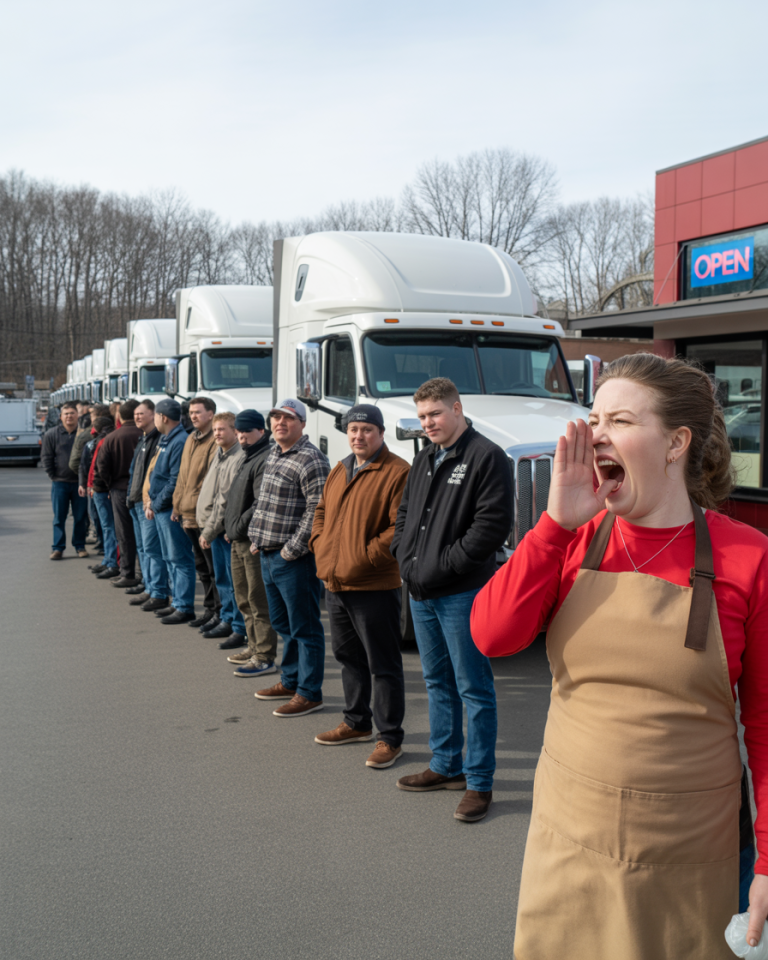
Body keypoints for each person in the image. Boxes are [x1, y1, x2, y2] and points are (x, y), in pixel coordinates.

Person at [471, 353, 768, 959]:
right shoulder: (571, 538)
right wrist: (554, 524)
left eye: (620, 421)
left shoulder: (749, 558)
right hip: (568, 831)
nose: (596, 435)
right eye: (594, 419)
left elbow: (765, 726)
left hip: (688, 848)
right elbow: (492, 636)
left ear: (676, 443)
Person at [390, 377, 511, 823]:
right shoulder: (424, 457)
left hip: (461, 592)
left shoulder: (487, 457)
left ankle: (479, 782)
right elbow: (406, 513)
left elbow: (491, 527)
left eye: (435, 414)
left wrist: (443, 565)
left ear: (456, 409)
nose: (428, 423)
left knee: (473, 688)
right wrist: (403, 555)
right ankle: (445, 766)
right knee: (437, 682)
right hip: (421, 591)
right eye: (422, 416)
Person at [309, 404, 410, 769]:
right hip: (336, 583)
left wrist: (361, 557)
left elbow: (399, 528)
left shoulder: (398, 471)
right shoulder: (341, 468)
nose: (358, 436)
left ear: (380, 433)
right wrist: (320, 544)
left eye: (367, 429)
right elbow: (321, 512)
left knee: (383, 664)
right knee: (348, 658)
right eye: (353, 429)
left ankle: (390, 738)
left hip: (373, 585)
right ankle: (356, 722)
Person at [248, 399, 329, 717]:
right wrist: (256, 537)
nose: (280, 422)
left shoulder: (311, 458)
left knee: (305, 628)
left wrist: (291, 550)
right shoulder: (274, 452)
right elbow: (264, 501)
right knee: (283, 624)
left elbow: (317, 510)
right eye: (276, 417)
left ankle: (309, 693)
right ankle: (291, 680)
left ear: (303, 424)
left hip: (294, 560)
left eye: (289, 418)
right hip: (267, 554)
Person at [224, 410, 278, 672]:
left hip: (252, 541)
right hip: (238, 539)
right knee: (243, 598)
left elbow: (259, 503)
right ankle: (254, 646)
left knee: (258, 601)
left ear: (261, 431)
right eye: (238, 431)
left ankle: (264, 656)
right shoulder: (247, 456)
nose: (241, 436)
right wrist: (230, 528)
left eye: (246, 431)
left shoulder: (264, 458)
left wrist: (236, 527)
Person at [196, 412, 247, 647]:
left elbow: (223, 500)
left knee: (233, 581)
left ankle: (237, 626)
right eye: (215, 429)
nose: (216, 433)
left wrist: (209, 530)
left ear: (234, 431)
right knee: (222, 579)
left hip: (224, 531)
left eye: (221, 429)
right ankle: (226, 618)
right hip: (214, 528)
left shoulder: (237, 457)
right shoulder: (220, 453)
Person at [147, 398, 198, 624]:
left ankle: (184, 606)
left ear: (163, 417)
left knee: (179, 558)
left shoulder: (179, 441)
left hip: (169, 510)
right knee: (169, 557)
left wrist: (157, 503)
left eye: (155, 416)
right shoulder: (167, 439)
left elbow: (175, 480)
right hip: (161, 508)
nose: (154, 420)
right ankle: (177, 602)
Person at [172, 397, 220, 631]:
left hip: (204, 515)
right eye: (191, 412)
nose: (193, 416)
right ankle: (209, 610)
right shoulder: (191, 438)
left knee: (214, 569)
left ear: (211, 414)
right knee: (201, 566)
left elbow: (210, 481)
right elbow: (182, 476)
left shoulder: (215, 440)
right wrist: (177, 505)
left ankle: (219, 613)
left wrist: (201, 510)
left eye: (198, 412)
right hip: (188, 513)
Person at [95, 399, 142, 588]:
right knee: (144, 537)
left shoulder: (112, 437)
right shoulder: (145, 435)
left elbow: (102, 466)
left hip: (119, 489)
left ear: (120, 416)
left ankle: (127, 573)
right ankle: (144, 575)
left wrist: (110, 484)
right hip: (142, 491)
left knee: (124, 534)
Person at [125, 399, 168, 607]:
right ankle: (149, 587)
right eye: (135, 414)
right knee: (143, 548)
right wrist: (129, 496)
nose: (137, 417)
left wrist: (149, 501)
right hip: (135, 501)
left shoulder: (159, 440)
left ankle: (158, 592)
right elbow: (133, 471)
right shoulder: (143, 439)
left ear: (154, 414)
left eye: (141, 413)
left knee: (152, 549)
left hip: (147, 504)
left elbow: (157, 476)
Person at [41, 401, 89, 560]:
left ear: (78, 415)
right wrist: (53, 475)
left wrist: (85, 479)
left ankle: (80, 546)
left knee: (80, 517)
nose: (69, 416)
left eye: (72, 413)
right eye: (66, 414)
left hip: (79, 484)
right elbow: (46, 457)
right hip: (59, 483)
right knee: (59, 518)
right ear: (61, 417)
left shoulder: (84, 435)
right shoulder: (51, 434)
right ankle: (58, 548)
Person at [88, 416, 118, 578]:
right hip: (104, 488)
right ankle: (108, 560)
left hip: (102, 489)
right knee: (108, 527)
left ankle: (111, 561)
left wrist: (97, 485)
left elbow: (98, 466)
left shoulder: (103, 440)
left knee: (108, 527)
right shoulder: (109, 438)